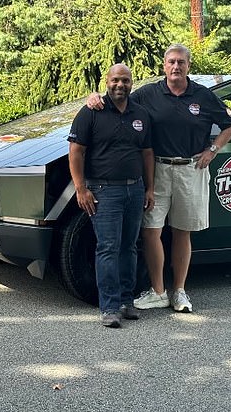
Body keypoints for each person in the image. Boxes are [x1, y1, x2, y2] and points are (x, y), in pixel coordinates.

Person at [86, 44, 231, 313]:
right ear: (164, 65)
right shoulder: (149, 93)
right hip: (157, 169)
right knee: (151, 230)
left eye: (181, 62)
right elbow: (119, 97)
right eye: (171, 62)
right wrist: (94, 98)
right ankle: (158, 291)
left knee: (182, 231)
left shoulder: (202, 96)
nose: (176, 67)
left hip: (191, 169)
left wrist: (213, 149)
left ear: (188, 65)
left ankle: (179, 292)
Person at [68, 63, 155, 328]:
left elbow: (147, 153)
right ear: (107, 81)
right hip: (104, 191)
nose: (121, 85)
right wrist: (81, 189)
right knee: (108, 247)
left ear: (132, 83)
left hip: (135, 189)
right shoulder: (91, 112)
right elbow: (76, 151)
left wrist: (149, 188)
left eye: (126, 81)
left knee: (129, 247)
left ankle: (127, 302)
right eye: (116, 80)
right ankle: (109, 307)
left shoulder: (140, 114)